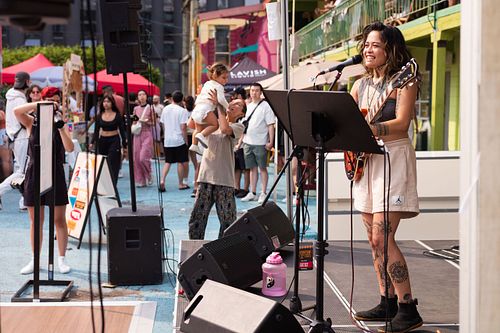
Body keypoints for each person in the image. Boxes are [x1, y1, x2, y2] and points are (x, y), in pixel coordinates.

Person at [350, 22, 423, 333]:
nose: (368, 49)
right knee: (372, 238)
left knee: (383, 237)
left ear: (390, 49)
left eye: (375, 45)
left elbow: (402, 123)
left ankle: (407, 307)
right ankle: (387, 300)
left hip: (392, 159)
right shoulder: (359, 85)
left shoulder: (404, 81)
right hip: (365, 164)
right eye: (366, 44)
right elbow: (348, 121)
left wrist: (369, 130)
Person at [14, 87, 75, 274]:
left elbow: (70, 148)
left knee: (59, 219)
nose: (51, 106)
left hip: (55, 172)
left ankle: (62, 259)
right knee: (35, 220)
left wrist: (62, 126)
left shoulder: (61, 124)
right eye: (49, 101)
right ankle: (35, 259)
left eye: (54, 102)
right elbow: (17, 111)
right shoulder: (32, 122)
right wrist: (41, 104)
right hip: (34, 173)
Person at [188, 95, 246, 240]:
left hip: (224, 180)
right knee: (197, 219)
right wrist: (202, 102)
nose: (233, 103)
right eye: (232, 101)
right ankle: (195, 250)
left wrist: (219, 106)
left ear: (241, 113)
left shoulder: (238, 126)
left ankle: (222, 252)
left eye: (238, 104)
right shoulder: (212, 120)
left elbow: (225, 129)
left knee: (228, 222)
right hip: (206, 176)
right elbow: (192, 124)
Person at [0, 71, 31, 211]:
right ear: (27, 82)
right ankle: (23, 201)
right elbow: (24, 121)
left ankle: (24, 201)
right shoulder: (19, 99)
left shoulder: (11, 97)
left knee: (22, 170)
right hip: (22, 136)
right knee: (23, 171)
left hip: (16, 136)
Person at [240, 83, 275, 204]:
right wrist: (240, 141)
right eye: (252, 90)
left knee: (262, 168)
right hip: (247, 142)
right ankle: (252, 192)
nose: (254, 93)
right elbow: (244, 125)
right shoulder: (248, 105)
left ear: (261, 92)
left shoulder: (266, 106)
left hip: (261, 142)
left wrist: (271, 141)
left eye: (256, 91)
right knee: (251, 168)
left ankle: (263, 192)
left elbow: (271, 125)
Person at [189, 62, 229, 155]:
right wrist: (227, 107)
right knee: (215, 125)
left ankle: (194, 145)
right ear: (215, 76)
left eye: (227, 78)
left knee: (197, 129)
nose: (226, 80)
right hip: (205, 109)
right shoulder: (219, 86)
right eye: (223, 77)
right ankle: (202, 135)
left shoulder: (207, 83)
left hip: (197, 110)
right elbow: (221, 99)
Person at [90, 95, 127, 186]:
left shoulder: (117, 115)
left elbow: (122, 130)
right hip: (102, 141)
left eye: (108, 101)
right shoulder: (99, 116)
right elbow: (96, 130)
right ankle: (103, 184)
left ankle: (113, 184)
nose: (106, 104)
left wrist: (124, 145)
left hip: (114, 140)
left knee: (113, 162)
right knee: (102, 163)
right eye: (104, 102)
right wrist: (92, 142)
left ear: (112, 103)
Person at [158, 91, 190, 192]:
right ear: (181, 100)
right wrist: (186, 140)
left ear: (172, 98)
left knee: (168, 161)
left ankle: (162, 180)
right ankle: (180, 183)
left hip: (168, 139)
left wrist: (166, 134)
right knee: (180, 161)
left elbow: (162, 124)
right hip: (179, 139)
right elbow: (183, 127)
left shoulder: (165, 109)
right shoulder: (182, 111)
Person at [132, 90, 154, 187]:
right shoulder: (135, 109)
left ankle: (148, 174)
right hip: (137, 135)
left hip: (147, 134)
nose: (141, 96)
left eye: (143, 94)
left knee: (143, 157)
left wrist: (145, 122)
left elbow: (153, 123)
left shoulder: (150, 108)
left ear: (146, 96)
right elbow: (133, 122)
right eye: (139, 94)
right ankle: (141, 180)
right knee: (136, 158)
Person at [231, 87, 250, 198]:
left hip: (243, 143)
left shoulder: (247, 107)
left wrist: (238, 143)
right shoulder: (234, 112)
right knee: (237, 167)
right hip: (237, 144)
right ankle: (236, 187)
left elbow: (244, 129)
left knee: (245, 168)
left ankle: (245, 189)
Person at [183, 95, 199, 197]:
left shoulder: (184, 111)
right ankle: (195, 178)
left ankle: (185, 180)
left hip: (187, 136)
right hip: (194, 136)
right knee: (195, 160)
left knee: (185, 160)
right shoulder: (196, 110)